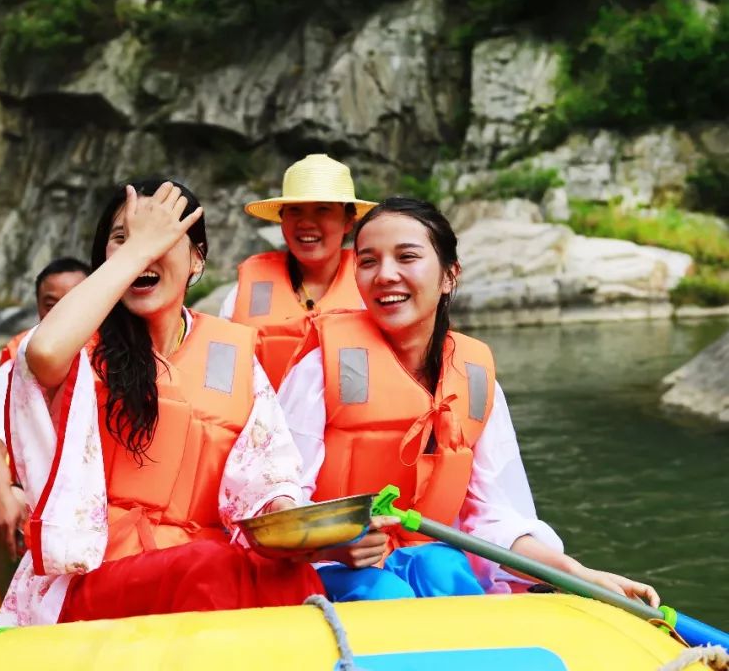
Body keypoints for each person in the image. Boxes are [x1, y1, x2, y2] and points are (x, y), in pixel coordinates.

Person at [278, 196, 660, 606]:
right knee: (386, 591)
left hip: (427, 558)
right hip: (328, 566)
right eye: (368, 261)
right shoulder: (319, 370)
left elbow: (494, 518)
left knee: (441, 567)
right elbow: (279, 497)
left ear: (449, 276)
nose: (385, 275)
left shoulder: (476, 380)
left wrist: (579, 574)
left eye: (407, 257)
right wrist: (333, 544)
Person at [0, 180, 322, 626]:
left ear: (196, 258)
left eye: (161, 235)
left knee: (292, 578)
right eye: (123, 237)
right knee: (209, 565)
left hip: (199, 565)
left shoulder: (231, 354)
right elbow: (44, 354)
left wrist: (297, 525)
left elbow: (266, 478)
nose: (144, 249)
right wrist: (139, 250)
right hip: (93, 573)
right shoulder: (79, 345)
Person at [0, 256, 90, 594]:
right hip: (42, 495)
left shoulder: (123, 360)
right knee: (2, 502)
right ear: (39, 308)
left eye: (75, 300)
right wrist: (1, 495)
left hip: (102, 498)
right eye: (51, 304)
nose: (61, 314)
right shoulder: (16, 368)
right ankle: (8, 606)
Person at [220, 154, 374, 389]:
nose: (306, 223)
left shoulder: (373, 287)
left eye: (322, 209)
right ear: (282, 219)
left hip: (344, 413)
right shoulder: (243, 292)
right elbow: (222, 376)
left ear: (348, 221)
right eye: (295, 211)